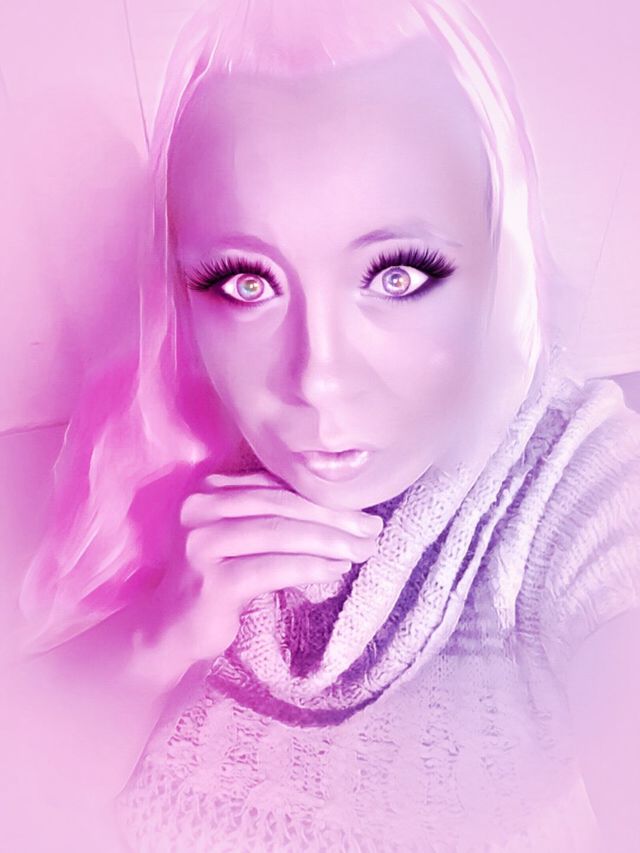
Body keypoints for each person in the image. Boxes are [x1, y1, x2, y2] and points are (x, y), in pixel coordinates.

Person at [15, 0, 640, 850]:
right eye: (246, 283)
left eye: (397, 275)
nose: (317, 377)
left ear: (501, 256)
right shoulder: (164, 453)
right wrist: (156, 635)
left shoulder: (570, 483)